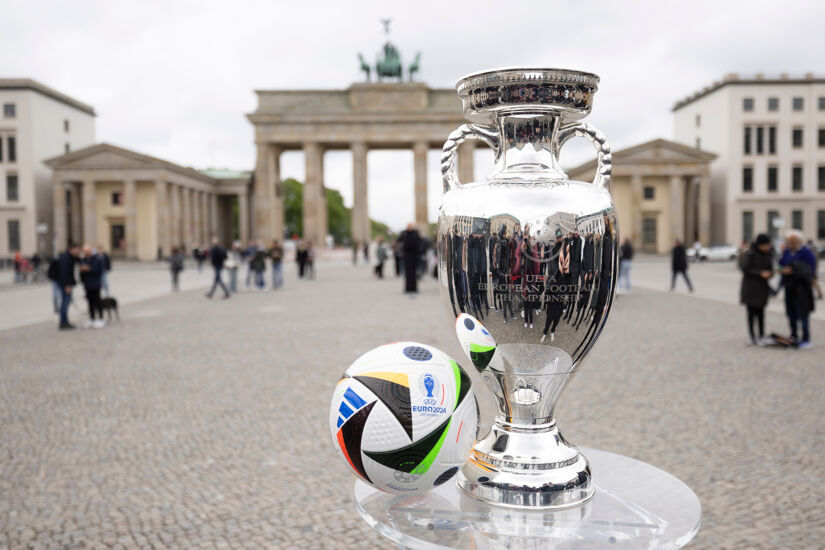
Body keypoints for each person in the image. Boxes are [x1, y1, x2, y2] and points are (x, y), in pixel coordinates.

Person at [779, 230, 816, 349]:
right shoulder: (787, 252)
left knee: (803, 313)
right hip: (789, 286)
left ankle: (805, 338)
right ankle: (793, 335)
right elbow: (781, 264)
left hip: (802, 289)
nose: (790, 244)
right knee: (791, 313)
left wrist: (793, 271)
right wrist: (781, 270)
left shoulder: (806, 252)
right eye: (788, 242)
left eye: (792, 242)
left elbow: (810, 271)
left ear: (799, 241)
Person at [739, 234, 774, 346]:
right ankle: (752, 336)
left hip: (762, 288)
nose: (767, 247)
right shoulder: (750, 253)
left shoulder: (769, 254)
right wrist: (760, 273)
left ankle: (761, 335)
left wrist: (770, 274)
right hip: (750, 288)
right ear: (760, 245)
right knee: (751, 313)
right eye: (766, 245)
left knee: (761, 313)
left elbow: (771, 269)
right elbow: (745, 268)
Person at [79, 244, 105, 328]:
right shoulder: (83, 260)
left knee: (97, 301)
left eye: (87, 251)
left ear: (90, 251)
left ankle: (100, 318)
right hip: (87, 284)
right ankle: (92, 318)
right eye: (84, 251)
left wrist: (89, 269)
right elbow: (81, 272)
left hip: (96, 284)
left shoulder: (97, 259)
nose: (86, 253)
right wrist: (82, 272)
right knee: (90, 302)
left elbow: (99, 271)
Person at [56, 244, 80, 329]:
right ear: (71, 249)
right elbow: (64, 273)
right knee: (65, 303)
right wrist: (67, 285)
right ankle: (63, 323)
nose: (78, 251)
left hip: (66, 284)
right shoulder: (66, 258)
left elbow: (78, 261)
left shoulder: (70, 257)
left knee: (65, 302)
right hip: (65, 284)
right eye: (76, 249)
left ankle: (65, 321)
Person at [399, 223, 422, 293]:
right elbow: (399, 240)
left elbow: (420, 242)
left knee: (414, 273)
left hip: (414, 255)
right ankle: (408, 288)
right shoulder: (403, 233)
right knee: (407, 273)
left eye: (410, 226)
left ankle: (414, 288)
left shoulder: (415, 233)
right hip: (406, 255)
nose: (409, 227)